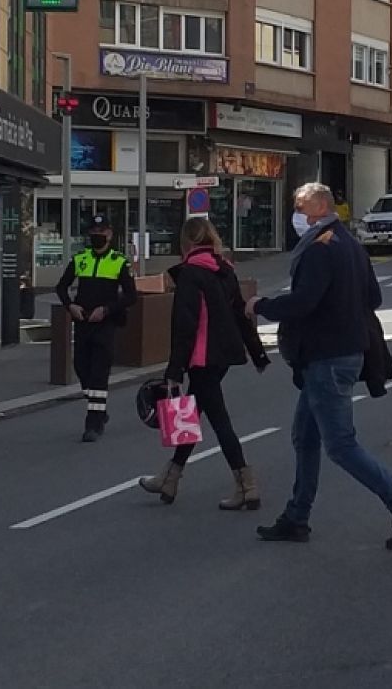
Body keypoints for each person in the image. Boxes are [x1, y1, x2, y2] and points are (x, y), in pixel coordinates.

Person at [246, 183, 392, 550]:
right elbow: (373, 297)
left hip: (326, 358)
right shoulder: (350, 244)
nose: (295, 214)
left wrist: (260, 305)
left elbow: (304, 303)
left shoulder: (320, 248)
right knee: (305, 436)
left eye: (300, 206)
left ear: (319, 206)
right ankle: (296, 517)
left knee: (340, 445)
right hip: (343, 353)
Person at [139, 217, 271, 507]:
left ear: (186, 243)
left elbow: (185, 325)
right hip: (223, 355)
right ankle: (170, 477)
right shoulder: (225, 270)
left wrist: (174, 370)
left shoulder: (190, 274)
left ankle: (246, 484)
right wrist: (257, 352)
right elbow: (241, 314)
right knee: (192, 413)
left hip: (201, 357)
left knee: (219, 420)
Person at [55, 213, 137, 442]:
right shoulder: (81, 259)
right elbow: (61, 287)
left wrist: (108, 309)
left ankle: (93, 425)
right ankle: (99, 410)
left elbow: (131, 296)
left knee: (99, 374)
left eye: (101, 233)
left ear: (110, 235)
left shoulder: (119, 261)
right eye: (93, 233)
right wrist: (70, 306)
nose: (97, 237)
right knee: (81, 367)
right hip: (83, 323)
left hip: (106, 324)